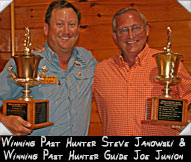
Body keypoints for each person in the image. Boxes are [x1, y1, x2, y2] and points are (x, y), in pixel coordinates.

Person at [0, 0, 97, 136]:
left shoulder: (88, 61)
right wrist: (4, 122)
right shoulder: (25, 64)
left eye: (72, 25)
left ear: (78, 29)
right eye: (59, 24)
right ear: (46, 29)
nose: (66, 31)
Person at [93, 8, 191, 136]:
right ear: (115, 37)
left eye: (136, 28)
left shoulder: (168, 62)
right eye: (123, 30)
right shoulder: (100, 71)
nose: (131, 35)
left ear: (147, 30)